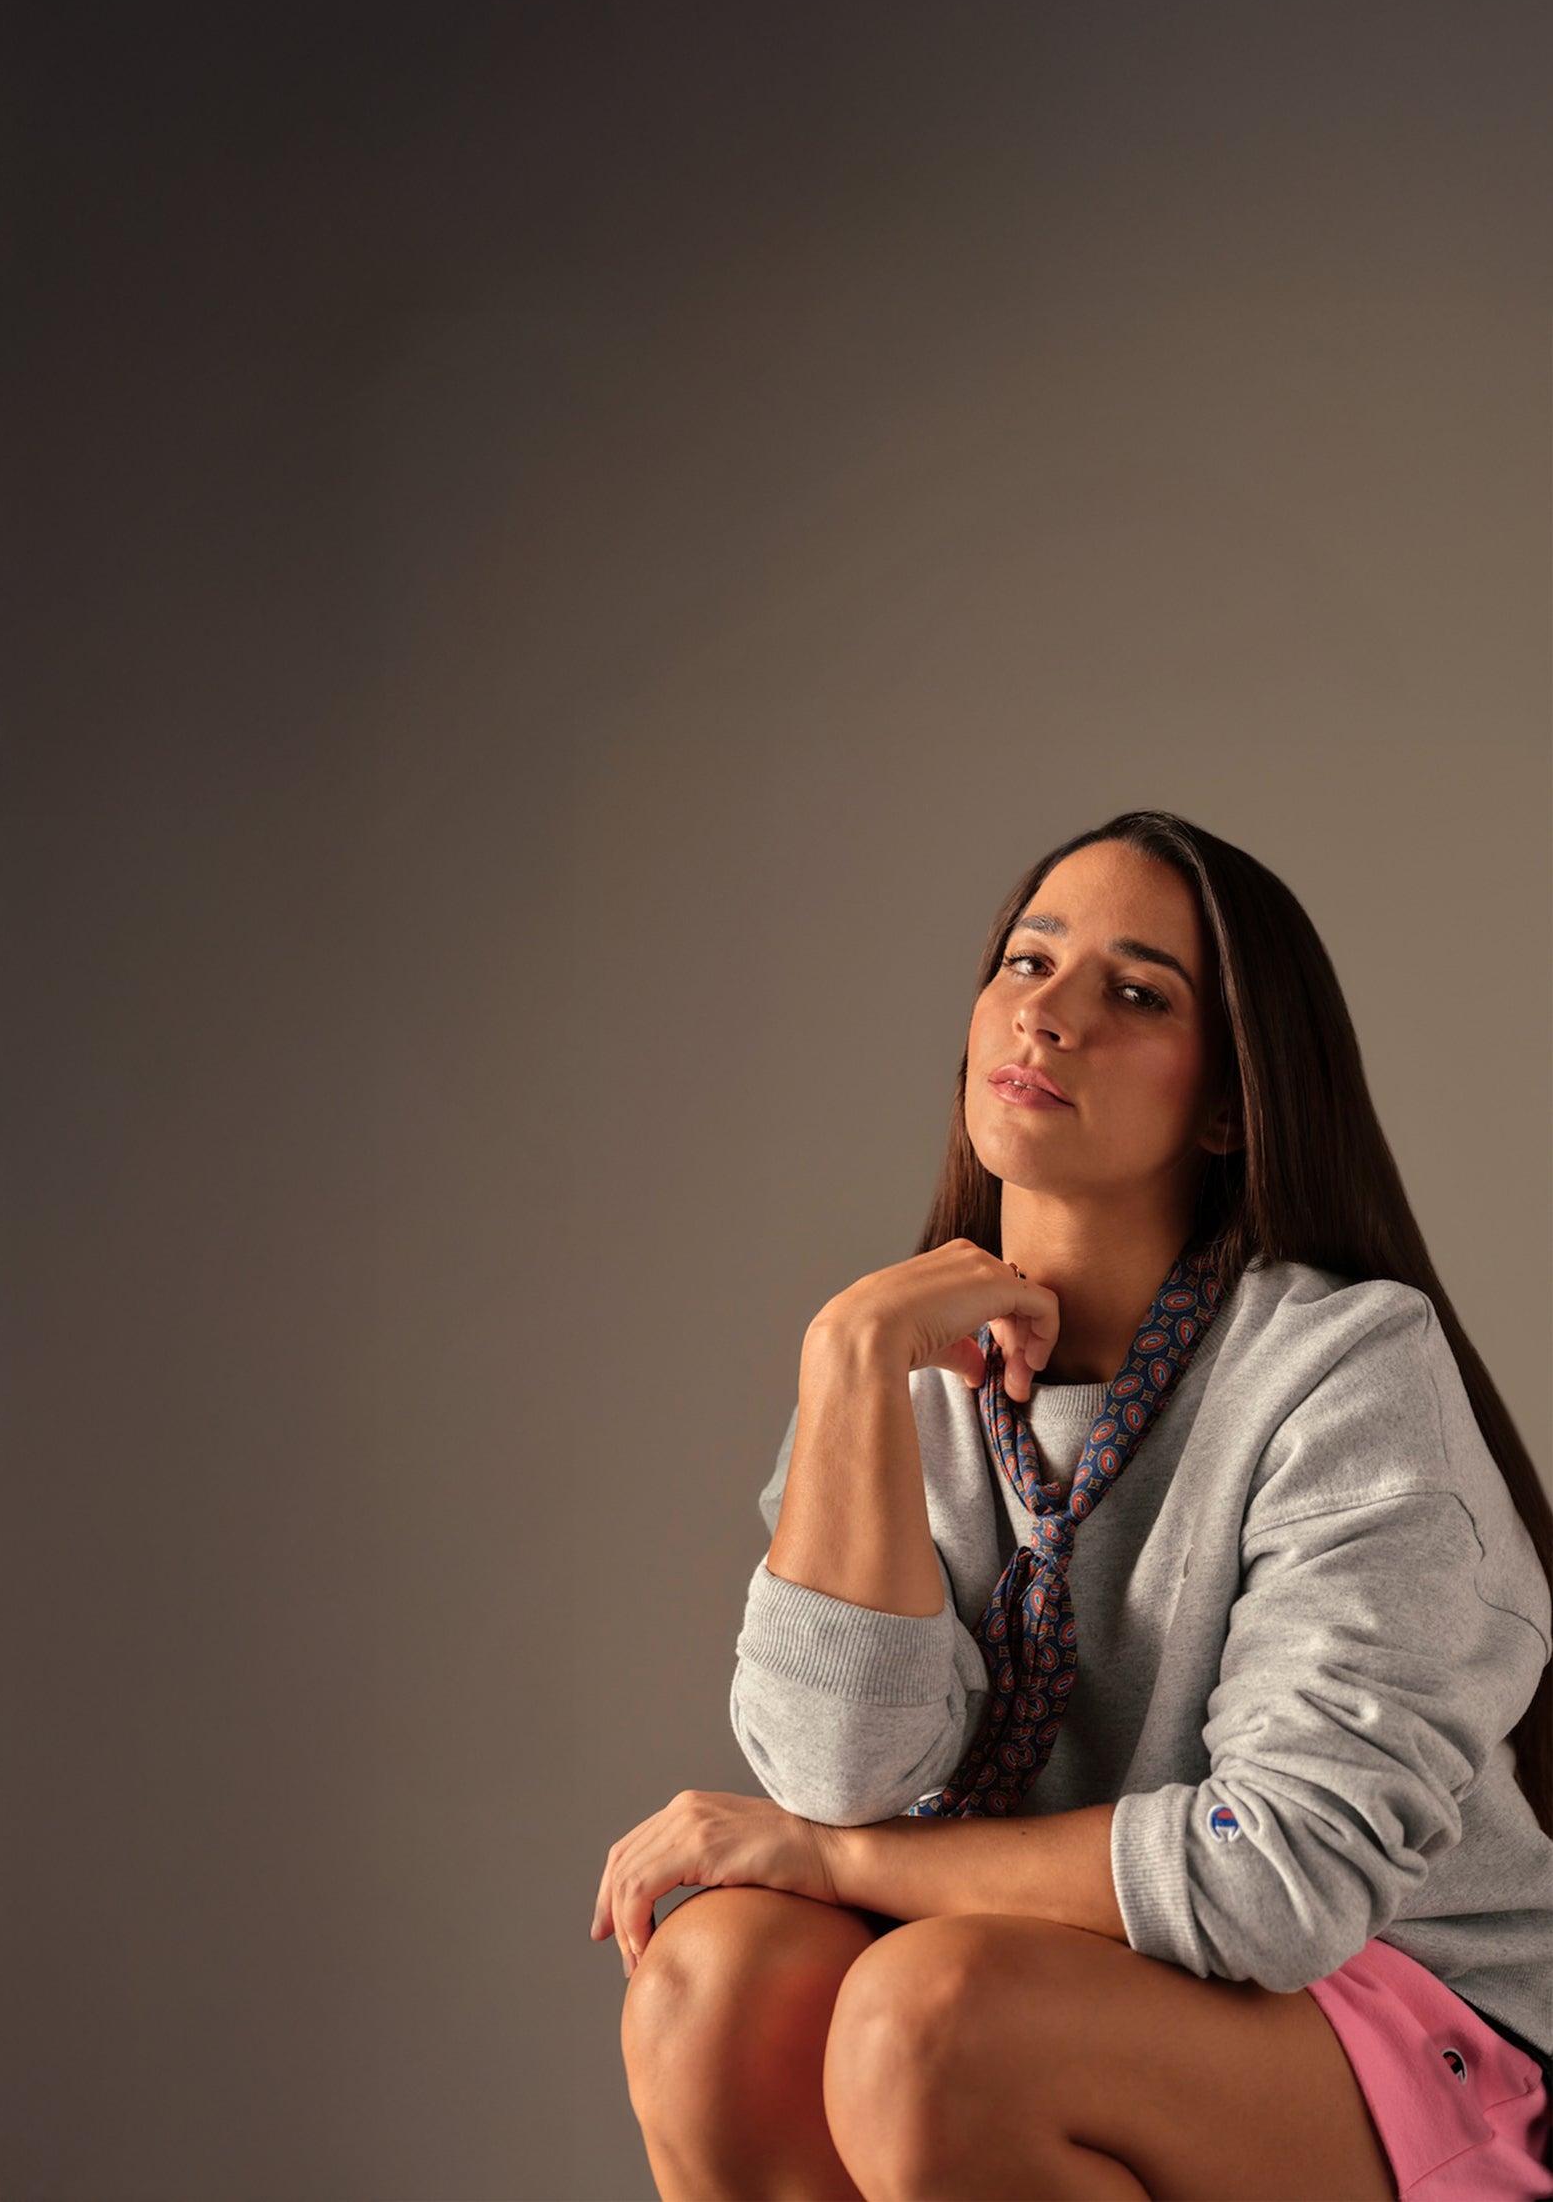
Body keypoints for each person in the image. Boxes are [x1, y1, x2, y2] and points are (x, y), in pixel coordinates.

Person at [592, 808, 1553, 2200]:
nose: (1047, 1016)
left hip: (1399, 2028)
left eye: (1134, 990)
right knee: (715, 1978)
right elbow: (835, 1768)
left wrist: (826, 1853)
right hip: (1036, 1995)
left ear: (1227, 1100)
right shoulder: (899, 1370)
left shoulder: (1342, 1370)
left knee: (931, 2016)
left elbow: (1270, 1879)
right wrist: (849, 1366)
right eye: (1026, 962)